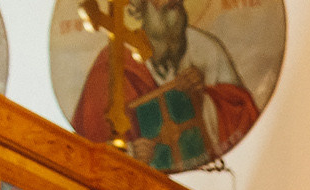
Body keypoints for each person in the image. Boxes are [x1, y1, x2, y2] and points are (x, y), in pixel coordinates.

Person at [71, 0, 260, 158]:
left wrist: (202, 97)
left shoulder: (207, 49)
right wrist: (131, 152)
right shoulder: (109, 69)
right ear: (138, 10)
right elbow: (92, 147)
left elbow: (241, 111)